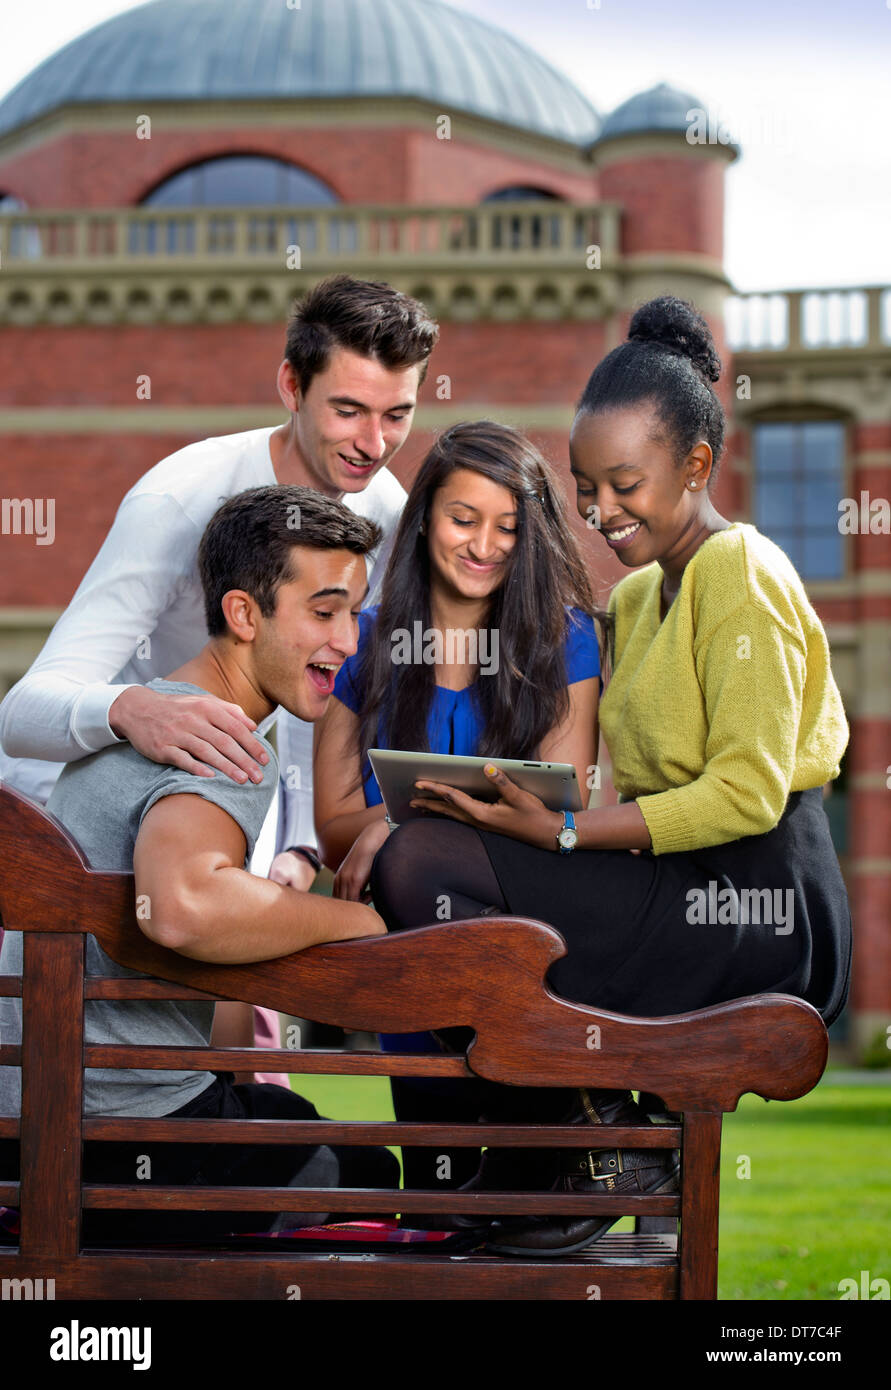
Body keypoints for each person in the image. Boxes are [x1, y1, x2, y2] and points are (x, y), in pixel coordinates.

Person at [368, 296, 853, 1256]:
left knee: (425, 865)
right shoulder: (637, 593)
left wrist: (558, 834)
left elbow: (746, 792)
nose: (600, 511)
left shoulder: (739, 571)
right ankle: (547, 1145)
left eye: (623, 483)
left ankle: (595, 1140)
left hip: (755, 903)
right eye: (584, 487)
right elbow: (563, 698)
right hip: (672, 879)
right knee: (422, 859)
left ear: (697, 465)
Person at [0, 274, 438, 1080]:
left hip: (216, 812)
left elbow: (324, 698)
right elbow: (22, 710)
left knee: (242, 1075)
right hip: (67, 829)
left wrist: (301, 844)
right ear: (290, 386)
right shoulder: (179, 496)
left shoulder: (384, 511)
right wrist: (137, 711)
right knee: (71, 1085)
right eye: (347, 410)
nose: (372, 443)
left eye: (396, 415)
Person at [0, 485, 399, 1244]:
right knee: (374, 1173)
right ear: (245, 615)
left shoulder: (160, 711)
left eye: (354, 611)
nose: (349, 640)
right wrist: (360, 919)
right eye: (323, 612)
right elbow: (181, 907)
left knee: (290, 1121)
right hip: (114, 1145)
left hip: (37, 1121)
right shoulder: (221, 744)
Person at [312, 420, 605, 1188]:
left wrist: (405, 819)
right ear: (425, 522)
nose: (485, 545)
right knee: (436, 1185)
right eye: (462, 519)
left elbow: (555, 806)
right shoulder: (365, 648)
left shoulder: (565, 643)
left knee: (520, 1193)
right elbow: (336, 830)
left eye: (509, 526)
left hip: (521, 949)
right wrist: (391, 826)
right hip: (403, 970)